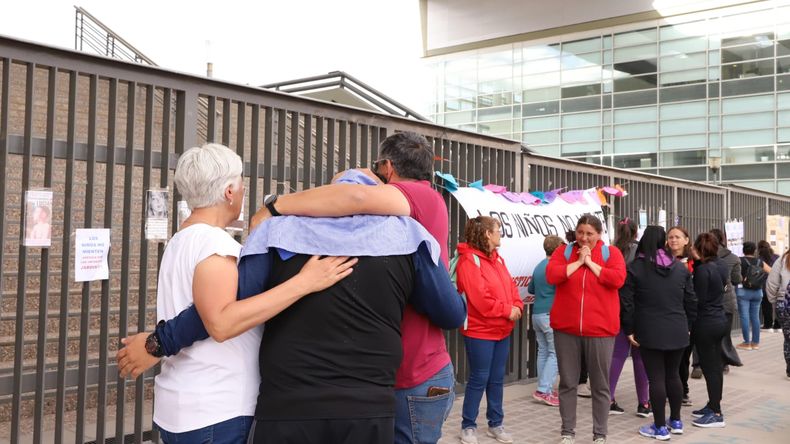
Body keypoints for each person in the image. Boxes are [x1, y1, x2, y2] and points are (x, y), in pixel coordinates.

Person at [117, 169, 467, 443]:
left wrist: (159, 342)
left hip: (286, 408)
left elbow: (224, 306)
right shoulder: (408, 239)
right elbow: (451, 314)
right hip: (367, 408)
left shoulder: (278, 233)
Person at [124, 143, 356, 443]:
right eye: (242, 182)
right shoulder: (215, 245)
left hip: (191, 405)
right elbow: (221, 323)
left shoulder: (181, 241)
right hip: (217, 409)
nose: (244, 191)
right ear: (229, 192)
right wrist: (304, 282)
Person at [547, 214, 627, 444]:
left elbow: (617, 279)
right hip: (566, 329)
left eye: (589, 234)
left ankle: (600, 433)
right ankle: (567, 432)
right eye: (581, 233)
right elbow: (552, 275)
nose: (584, 238)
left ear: (599, 234)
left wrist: (590, 262)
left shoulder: (611, 253)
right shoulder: (563, 252)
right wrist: (578, 262)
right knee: (568, 383)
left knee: (601, 385)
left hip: (601, 330)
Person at [620, 226, 697, 440]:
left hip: (649, 330)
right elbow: (691, 300)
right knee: (673, 376)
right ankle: (676, 421)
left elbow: (627, 302)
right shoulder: (680, 269)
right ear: (663, 242)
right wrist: (689, 325)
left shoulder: (635, 268)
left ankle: (660, 427)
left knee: (656, 379)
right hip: (678, 329)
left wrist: (629, 328)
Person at [456, 216, 524, 444]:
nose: (500, 234)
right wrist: (507, 310)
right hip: (479, 332)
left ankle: (496, 424)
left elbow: (512, 287)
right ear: (487, 234)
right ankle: (468, 426)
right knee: (479, 378)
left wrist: (517, 305)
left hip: (501, 330)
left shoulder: (498, 260)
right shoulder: (469, 262)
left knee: (496, 379)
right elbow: (480, 301)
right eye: (498, 230)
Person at [608, 217, 651, 418]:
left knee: (616, 355)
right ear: (636, 233)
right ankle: (644, 403)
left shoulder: (610, 251)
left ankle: (608, 398)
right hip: (639, 310)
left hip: (615, 308)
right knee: (640, 358)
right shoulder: (641, 254)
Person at [689, 233, 729, 428]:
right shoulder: (720, 265)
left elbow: (699, 300)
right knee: (714, 367)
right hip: (719, 319)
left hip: (706, 322)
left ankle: (716, 412)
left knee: (710, 368)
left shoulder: (704, 270)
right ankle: (713, 405)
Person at [528, 234, 565, 408]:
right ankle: (544, 390)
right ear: (558, 248)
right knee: (555, 353)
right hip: (551, 314)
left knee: (543, 351)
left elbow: (531, 289)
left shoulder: (538, 266)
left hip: (536, 314)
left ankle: (544, 387)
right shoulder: (555, 267)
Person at [666, 226, 695, 406]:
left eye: (677, 237)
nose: (673, 240)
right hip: (667, 313)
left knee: (683, 357)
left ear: (686, 239)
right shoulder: (662, 259)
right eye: (670, 237)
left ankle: (683, 390)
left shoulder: (694, 261)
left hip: (686, 314)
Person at [736, 241, 770, 350]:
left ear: (743, 250)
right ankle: (755, 343)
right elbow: (771, 271)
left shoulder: (740, 261)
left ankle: (747, 343)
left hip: (744, 292)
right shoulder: (759, 261)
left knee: (745, 316)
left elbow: (734, 275)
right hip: (757, 292)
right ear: (755, 250)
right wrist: (761, 278)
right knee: (755, 317)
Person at [766, 249, 790, 379]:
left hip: (784, 303)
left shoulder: (783, 259)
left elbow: (772, 283)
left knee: (788, 337)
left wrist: (774, 301)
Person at [757, 240, 780, 331]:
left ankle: (768, 325)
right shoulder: (776, 257)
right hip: (776, 283)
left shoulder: (759, 259)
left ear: (759, 249)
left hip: (764, 285)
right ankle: (778, 325)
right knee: (777, 305)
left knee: (766, 305)